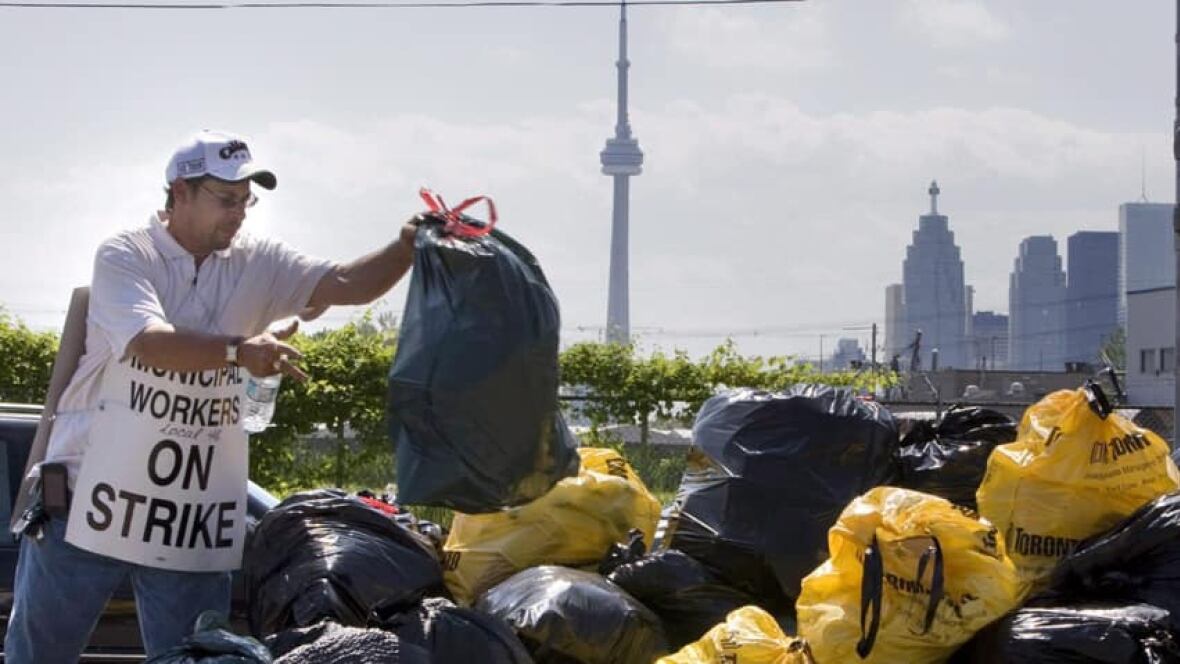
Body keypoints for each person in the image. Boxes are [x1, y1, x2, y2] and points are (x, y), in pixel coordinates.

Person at [5, 129, 418, 662]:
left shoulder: (259, 260)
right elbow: (147, 344)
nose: (240, 212)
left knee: (197, 657)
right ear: (179, 192)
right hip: (87, 502)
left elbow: (346, 283)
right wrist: (239, 352)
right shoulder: (126, 255)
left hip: (187, 514)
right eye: (225, 199)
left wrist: (407, 246)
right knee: (38, 655)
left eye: (247, 200)